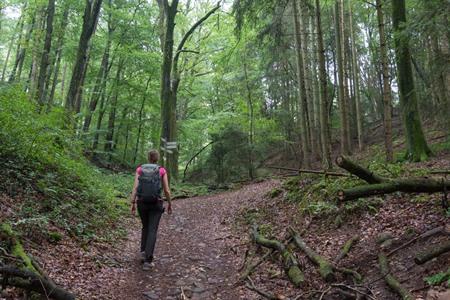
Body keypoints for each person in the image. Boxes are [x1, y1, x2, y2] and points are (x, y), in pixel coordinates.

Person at [130, 149, 172, 271]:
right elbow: (166, 190)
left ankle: (143, 252)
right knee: (152, 229)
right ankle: (148, 261)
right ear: (157, 158)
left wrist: (132, 202)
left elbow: (135, 187)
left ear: (148, 158)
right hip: (156, 203)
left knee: (145, 227)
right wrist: (169, 203)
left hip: (141, 202)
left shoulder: (140, 169)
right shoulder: (161, 170)